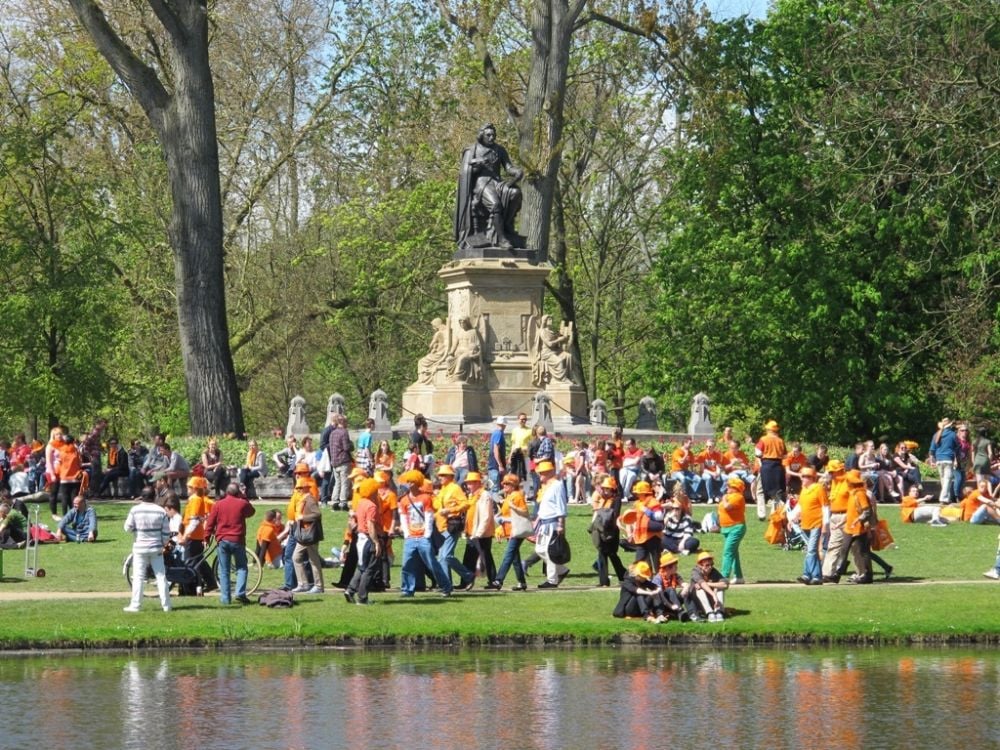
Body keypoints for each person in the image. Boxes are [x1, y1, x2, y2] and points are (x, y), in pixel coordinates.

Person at [455, 122, 524, 250]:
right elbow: (465, 172)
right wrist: (478, 165)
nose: (492, 138)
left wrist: (517, 172)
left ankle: (507, 225)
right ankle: (501, 239)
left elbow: (508, 167)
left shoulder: (500, 150)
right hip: (481, 184)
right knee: (495, 204)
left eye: (493, 135)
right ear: (481, 135)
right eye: (488, 135)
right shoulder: (471, 150)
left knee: (515, 193)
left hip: (497, 182)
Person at [397, 470, 453, 597]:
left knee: (432, 563)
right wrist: (406, 534)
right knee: (407, 564)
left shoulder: (426, 498)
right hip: (410, 537)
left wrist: (426, 534)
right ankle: (407, 590)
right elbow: (403, 518)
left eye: (412, 481)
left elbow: (429, 516)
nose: (409, 484)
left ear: (417, 483)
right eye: (408, 481)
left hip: (423, 536)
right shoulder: (404, 500)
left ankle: (446, 587)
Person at [205, 482, 257, 605]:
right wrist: (244, 497)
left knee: (224, 570)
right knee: (242, 568)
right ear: (238, 492)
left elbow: (210, 522)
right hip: (238, 540)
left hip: (222, 540)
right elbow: (251, 512)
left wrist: (206, 537)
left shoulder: (218, 505)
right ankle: (240, 593)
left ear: (227, 492)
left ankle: (225, 598)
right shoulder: (242, 504)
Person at [123, 486, 173, 613]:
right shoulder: (161, 511)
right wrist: (162, 543)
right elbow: (166, 533)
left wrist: (137, 530)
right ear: (154, 497)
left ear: (142, 497)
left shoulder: (135, 510)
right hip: (156, 547)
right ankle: (166, 605)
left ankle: (136, 605)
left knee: (139, 577)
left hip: (140, 547)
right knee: (161, 576)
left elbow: (127, 528)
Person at [433, 464, 474, 590]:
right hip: (441, 527)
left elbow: (465, 504)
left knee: (446, 556)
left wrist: (450, 510)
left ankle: (468, 576)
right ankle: (447, 585)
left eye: (443, 475)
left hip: (452, 525)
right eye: (440, 475)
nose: (440, 477)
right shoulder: (442, 489)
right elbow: (437, 507)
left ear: (450, 476)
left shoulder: (455, 488)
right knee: (442, 557)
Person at [491, 473, 531, 591]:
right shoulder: (508, 496)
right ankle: (522, 583)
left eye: (507, 484)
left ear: (514, 485)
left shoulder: (517, 496)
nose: (505, 485)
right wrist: (500, 527)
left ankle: (498, 580)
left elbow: (525, 512)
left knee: (508, 555)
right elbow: (505, 515)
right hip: (509, 530)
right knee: (515, 558)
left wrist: (513, 507)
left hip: (516, 529)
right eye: (504, 483)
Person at [344, 478, 381, 605]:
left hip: (360, 538)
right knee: (369, 569)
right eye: (376, 490)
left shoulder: (361, 502)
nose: (377, 492)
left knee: (361, 567)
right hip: (368, 539)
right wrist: (376, 542)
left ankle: (350, 590)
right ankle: (362, 597)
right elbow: (370, 525)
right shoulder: (372, 506)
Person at [177, 476, 217, 594]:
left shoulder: (196, 500)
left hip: (193, 536)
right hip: (195, 535)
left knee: (191, 562)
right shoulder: (196, 499)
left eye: (189, 487)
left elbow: (194, 520)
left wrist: (185, 536)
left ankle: (192, 588)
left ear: (194, 488)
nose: (187, 489)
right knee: (198, 561)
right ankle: (210, 582)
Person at [534, 460, 569, 589]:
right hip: (544, 523)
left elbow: (561, 505)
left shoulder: (557, 485)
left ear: (549, 473)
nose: (540, 475)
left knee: (549, 551)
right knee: (540, 550)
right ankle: (561, 570)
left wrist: (561, 524)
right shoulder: (546, 487)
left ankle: (552, 580)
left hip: (552, 522)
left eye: (542, 473)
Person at [589, 476, 627, 587]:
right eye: (604, 488)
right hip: (601, 531)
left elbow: (615, 514)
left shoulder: (616, 500)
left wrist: (602, 513)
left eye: (608, 489)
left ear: (613, 489)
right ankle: (604, 581)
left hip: (612, 532)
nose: (605, 491)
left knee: (612, 555)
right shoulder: (603, 499)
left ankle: (623, 576)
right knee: (602, 555)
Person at [291, 479, 325, 596]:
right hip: (305, 535)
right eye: (297, 488)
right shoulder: (303, 499)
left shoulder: (310, 500)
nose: (298, 490)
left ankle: (318, 586)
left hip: (310, 535)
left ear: (306, 488)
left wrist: (303, 518)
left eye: (300, 488)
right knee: (296, 557)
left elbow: (317, 514)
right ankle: (303, 584)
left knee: (313, 560)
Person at [796, 467, 828, 585]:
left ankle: (807, 574)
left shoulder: (819, 489)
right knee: (812, 551)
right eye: (803, 476)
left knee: (811, 550)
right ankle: (817, 576)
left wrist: (825, 524)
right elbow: (800, 506)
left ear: (812, 478)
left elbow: (825, 507)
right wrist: (791, 518)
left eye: (806, 476)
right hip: (805, 524)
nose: (803, 478)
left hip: (816, 523)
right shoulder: (804, 489)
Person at [822, 459, 851, 583]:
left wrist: (846, 517)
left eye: (832, 472)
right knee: (834, 546)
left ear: (839, 471)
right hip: (834, 516)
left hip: (845, 516)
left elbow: (854, 502)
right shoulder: (834, 481)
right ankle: (829, 573)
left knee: (854, 547)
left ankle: (829, 573)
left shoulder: (848, 482)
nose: (830, 474)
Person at [844, 470, 873, 584]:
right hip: (852, 527)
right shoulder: (853, 493)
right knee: (855, 551)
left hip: (860, 528)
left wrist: (858, 519)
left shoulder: (860, 493)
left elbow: (867, 511)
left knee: (862, 551)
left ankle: (866, 575)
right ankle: (861, 574)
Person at [719, 476, 747, 584]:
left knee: (728, 552)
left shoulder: (738, 497)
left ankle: (724, 576)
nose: (727, 487)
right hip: (726, 528)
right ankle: (739, 577)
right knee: (733, 552)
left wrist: (724, 499)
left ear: (735, 488)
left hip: (736, 528)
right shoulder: (730, 496)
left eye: (729, 486)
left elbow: (727, 507)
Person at [686, 551, 729, 622]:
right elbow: (702, 584)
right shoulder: (695, 571)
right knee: (700, 589)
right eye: (707, 565)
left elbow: (725, 584)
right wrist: (713, 594)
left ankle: (719, 612)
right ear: (700, 565)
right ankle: (710, 613)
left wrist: (709, 584)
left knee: (720, 589)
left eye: (711, 564)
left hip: (713, 601)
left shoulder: (713, 571)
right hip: (699, 604)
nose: (710, 567)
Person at [755, 420, 787, 507]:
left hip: (766, 466)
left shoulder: (764, 439)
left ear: (768, 430)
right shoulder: (780, 440)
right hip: (778, 467)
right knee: (777, 491)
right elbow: (785, 455)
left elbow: (758, 453)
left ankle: (761, 513)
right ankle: (776, 513)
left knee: (760, 490)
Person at [929, 418, 959, 504]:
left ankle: (947, 498)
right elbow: (957, 448)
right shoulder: (953, 434)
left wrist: (932, 460)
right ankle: (943, 498)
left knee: (943, 480)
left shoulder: (936, 435)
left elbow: (932, 449)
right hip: (948, 459)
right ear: (949, 426)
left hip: (939, 459)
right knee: (947, 480)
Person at [328, 415, 353, 511]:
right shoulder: (344, 432)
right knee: (345, 482)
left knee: (337, 483)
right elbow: (346, 447)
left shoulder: (332, 433)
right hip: (343, 460)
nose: (347, 424)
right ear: (343, 422)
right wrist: (351, 444)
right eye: (346, 422)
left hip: (334, 461)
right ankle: (343, 502)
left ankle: (334, 502)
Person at [670, 437, 700, 501]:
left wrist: (693, 472)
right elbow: (681, 461)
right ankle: (685, 496)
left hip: (685, 471)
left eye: (691, 443)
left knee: (698, 479)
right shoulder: (677, 452)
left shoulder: (691, 453)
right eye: (690, 443)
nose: (691, 445)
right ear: (684, 443)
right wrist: (686, 454)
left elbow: (692, 464)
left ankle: (692, 495)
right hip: (676, 472)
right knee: (683, 478)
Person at [509, 413, 532, 481]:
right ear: (518, 420)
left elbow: (531, 444)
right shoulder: (515, 430)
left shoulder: (529, 431)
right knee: (515, 475)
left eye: (525, 419)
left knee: (526, 475)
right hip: (516, 456)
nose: (523, 421)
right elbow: (513, 444)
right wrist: (510, 457)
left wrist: (525, 448)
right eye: (522, 419)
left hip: (525, 456)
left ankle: (526, 491)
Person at [487, 416, 507, 489]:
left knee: (490, 488)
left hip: (493, 466)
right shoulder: (498, 434)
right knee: (494, 489)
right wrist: (500, 465)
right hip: (495, 466)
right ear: (505, 425)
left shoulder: (495, 433)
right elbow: (496, 450)